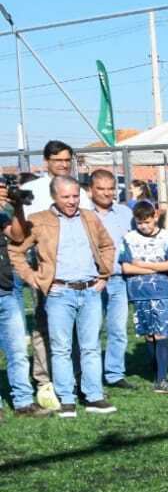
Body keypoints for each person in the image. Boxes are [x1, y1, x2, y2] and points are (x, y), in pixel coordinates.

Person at [4, 174, 118, 418]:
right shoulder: (39, 220)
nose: (71, 201)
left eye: (75, 196)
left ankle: (94, 396)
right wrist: (33, 278)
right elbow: (15, 250)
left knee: (91, 347)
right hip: (58, 293)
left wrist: (104, 275)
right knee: (61, 348)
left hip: (89, 291)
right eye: (66, 196)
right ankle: (67, 399)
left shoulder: (89, 217)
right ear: (54, 196)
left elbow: (108, 246)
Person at [18, 141, 78, 409]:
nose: (63, 164)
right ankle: (44, 379)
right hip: (43, 268)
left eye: (67, 160)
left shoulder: (78, 190)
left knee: (73, 326)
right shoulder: (32, 191)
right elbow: (20, 235)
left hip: (73, 270)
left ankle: (73, 377)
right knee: (43, 324)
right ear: (46, 162)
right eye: (58, 160)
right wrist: (32, 274)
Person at [119, 201, 168, 392]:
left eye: (147, 222)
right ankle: (156, 372)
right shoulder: (128, 238)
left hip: (162, 291)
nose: (144, 226)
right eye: (140, 223)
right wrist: (154, 268)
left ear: (155, 217)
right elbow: (126, 267)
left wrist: (142, 265)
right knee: (149, 334)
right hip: (138, 293)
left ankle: (161, 379)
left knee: (161, 332)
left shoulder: (167, 237)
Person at [83, 169, 135, 389]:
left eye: (110, 189)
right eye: (101, 189)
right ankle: (88, 375)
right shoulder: (82, 214)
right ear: (90, 190)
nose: (106, 193)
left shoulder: (125, 213)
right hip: (92, 280)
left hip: (119, 280)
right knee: (90, 331)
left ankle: (114, 373)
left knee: (118, 329)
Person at [0, 182, 43, 417]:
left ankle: (23, 402)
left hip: (5, 287)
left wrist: (16, 207)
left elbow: (17, 236)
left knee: (17, 350)